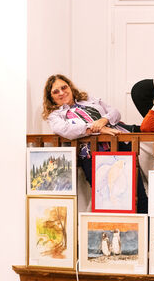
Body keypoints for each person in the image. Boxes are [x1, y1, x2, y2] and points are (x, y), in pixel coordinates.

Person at [43, 73, 148, 212]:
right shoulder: (55, 116)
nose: (62, 92)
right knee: (106, 198)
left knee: (137, 190)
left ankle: (145, 223)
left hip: (120, 145)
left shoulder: (89, 100)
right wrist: (96, 129)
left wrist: (104, 120)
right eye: (56, 91)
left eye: (64, 87)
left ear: (70, 87)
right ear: (51, 98)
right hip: (91, 155)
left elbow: (115, 112)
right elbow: (66, 129)